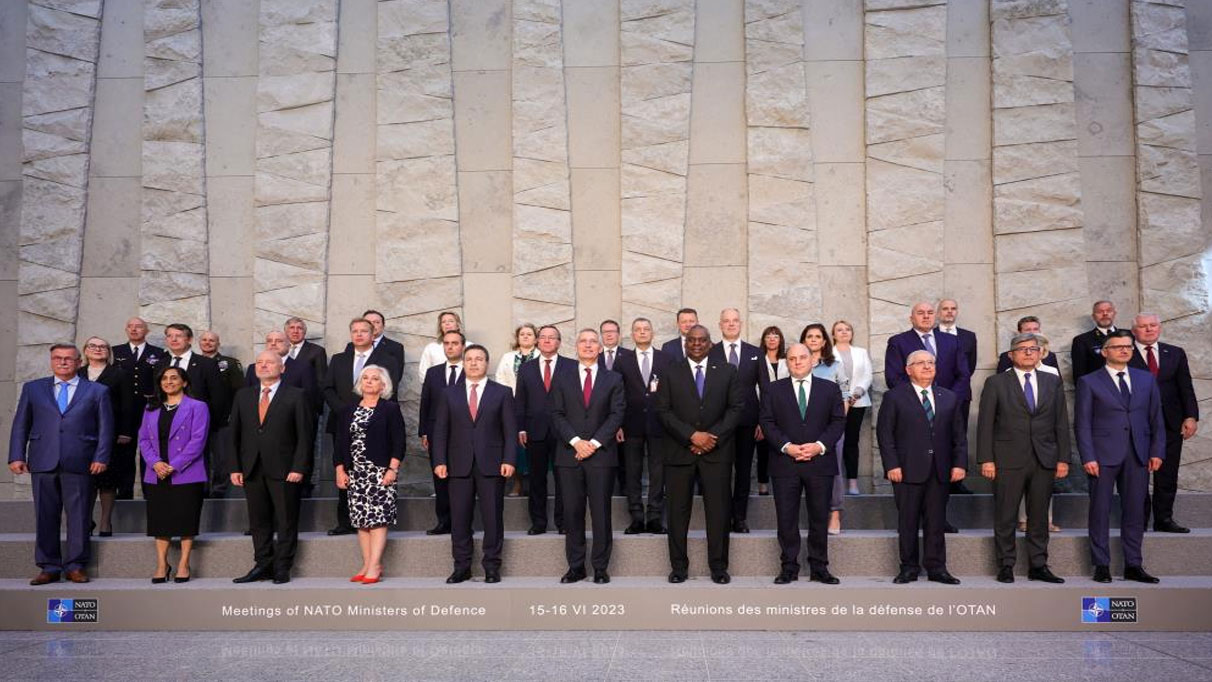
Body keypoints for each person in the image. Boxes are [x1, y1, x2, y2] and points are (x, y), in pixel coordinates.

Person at [9, 344, 113, 585]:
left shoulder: (97, 391)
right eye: (58, 358)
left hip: (81, 461)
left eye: (69, 359)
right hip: (43, 460)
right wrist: (16, 455)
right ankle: (49, 566)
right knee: (45, 515)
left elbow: (106, 428)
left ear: (79, 362)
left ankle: (75, 566)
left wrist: (101, 457)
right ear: (51, 362)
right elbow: (21, 424)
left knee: (79, 516)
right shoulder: (33, 389)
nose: (63, 362)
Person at [977, 333, 1070, 584]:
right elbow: (985, 424)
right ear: (1011, 355)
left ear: (1041, 353)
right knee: (1006, 515)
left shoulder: (1052, 382)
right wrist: (986, 459)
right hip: (1007, 459)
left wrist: (1063, 458)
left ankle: (1038, 565)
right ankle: (1006, 565)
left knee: (1039, 516)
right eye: (1022, 349)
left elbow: (1061, 422)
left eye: (1033, 349)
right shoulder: (996, 383)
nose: (1028, 352)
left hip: (1044, 458)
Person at [656, 324, 745, 584]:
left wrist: (710, 438)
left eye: (702, 340)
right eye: (692, 340)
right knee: (676, 513)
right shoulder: (670, 372)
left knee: (718, 513)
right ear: (685, 344)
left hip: (716, 453)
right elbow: (663, 411)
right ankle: (678, 568)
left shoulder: (728, 371)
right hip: (679, 452)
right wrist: (691, 436)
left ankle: (718, 567)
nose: (696, 344)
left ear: (710, 343)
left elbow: (735, 409)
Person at [1075, 329, 1165, 584]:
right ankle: (1101, 564)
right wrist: (1088, 456)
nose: (1124, 350)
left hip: (1138, 454)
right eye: (1118, 347)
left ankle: (1133, 564)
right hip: (1102, 456)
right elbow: (1082, 423)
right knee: (1100, 511)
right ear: (1105, 352)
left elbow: (1156, 418)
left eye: (1128, 346)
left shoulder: (1146, 379)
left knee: (1135, 512)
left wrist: (1157, 450)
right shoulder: (1089, 381)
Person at [875, 350, 966, 585]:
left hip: (940, 470)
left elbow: (958, 435)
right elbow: (885, 435)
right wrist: (892, 465)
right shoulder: (894, 397)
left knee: (936, 522)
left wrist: (959, 464)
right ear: (908, 369)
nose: (927, 367)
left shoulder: (948, 397)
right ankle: (908, 568)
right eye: (920, 363)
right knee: (908, 522)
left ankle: (937, 568)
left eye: (931, 363)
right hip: (906, 470)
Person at [759, 343, 846, 585]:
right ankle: (789, 567)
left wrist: (819, 446)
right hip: (785, 463)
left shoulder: (830, 389)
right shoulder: (772, 389)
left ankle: (819, 567)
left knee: (819, 517)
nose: (797, 362)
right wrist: (788, 447)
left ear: (812, 360)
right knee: (786, 518)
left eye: (802, 357)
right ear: (787, 362)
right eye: (793, 358)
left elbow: (838, 422)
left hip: (820, 462)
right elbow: (767, 422)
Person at [432, 345, 517, 584]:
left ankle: (492, 566)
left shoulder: (502, 392)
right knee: (459, 519)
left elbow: (510, 431)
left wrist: (509, 459)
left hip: (492, 464)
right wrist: (439, 460)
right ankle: (462, 567)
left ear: (487, 363)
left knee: (492, 518)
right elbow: (440, 431)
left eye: (479, 359)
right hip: (457, 465)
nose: (473, 363)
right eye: (469, 359)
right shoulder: (449, 393)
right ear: (463, 363)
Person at [229, 350, 315, 585]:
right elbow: (234, 434)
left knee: (286, 519)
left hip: (285, 469)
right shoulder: (243, 396)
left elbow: (305, 436)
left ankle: (282, 567)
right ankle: (262, 564)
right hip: (251, 468)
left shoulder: (297, 395)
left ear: (282, 368)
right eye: (259, 362)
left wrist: (299, 467)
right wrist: (235, 467)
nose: (263, 366)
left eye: (270, 362)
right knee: (258, 521)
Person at [885, 302, 971, 532]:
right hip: (912, 415)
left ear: (936, 316)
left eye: (930, 312)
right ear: (911, 317)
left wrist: (948, 400)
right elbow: (893, 377)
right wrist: (917, 398)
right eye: (920, 313)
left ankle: (939, 519)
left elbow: (963, 374)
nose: (925, 316)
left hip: (945, 411)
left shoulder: (951, 341)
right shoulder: (898, 342)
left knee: (941, 468)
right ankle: (914, 522)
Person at [549, 329, 626, 584]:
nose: (589, 345)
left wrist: (592, 443)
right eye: (583, 341)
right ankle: (576, 567)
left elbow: (616, 415)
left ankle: (600, 568)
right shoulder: (561, 377)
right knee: (572, 514)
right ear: (576, 346)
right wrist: (575, 442)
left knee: (601, 513)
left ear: (601, 347)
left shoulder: (613, 379)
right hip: (568, 456)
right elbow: (556, 414)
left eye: (594, 342)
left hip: (601, 456)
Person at [323, 318, 403, 536]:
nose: (359, 335)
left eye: (364, 331)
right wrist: (345, 412)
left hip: (377, 423)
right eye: (355, 331)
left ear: (373, 333)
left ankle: (374, 521)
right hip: (345, 421)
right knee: (345, 468)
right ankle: (345, 521)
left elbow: (391, 389)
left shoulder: (387, 359)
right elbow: (328, 388)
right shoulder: (339, 359)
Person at [333, 365, 404, 584]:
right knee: (361, 521)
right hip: (356, 472)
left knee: (378, 520)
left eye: (375, 379)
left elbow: (399, 442)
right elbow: (340, 442)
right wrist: (340, 470)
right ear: (359, 383)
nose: (369, 381)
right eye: (365, 378)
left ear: (383, 385)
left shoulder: (390, 409)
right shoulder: (348, 410)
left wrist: (392, 469)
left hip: (379, 472)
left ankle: (375, 565)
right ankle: (367, 564)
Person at [1128, 313, 1199, 533]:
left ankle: (1164, 519)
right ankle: (1140, 520)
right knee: (1138, 474)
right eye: (1143, 326)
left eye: (1153, 325)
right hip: (1136, 423)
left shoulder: (1175, 353)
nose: (1149, 329)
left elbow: (1185, 386)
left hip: (1170, 422)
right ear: (1134, 331)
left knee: (1167, 474)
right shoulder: (1125, 352)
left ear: (1159, 328)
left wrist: (1191, 416)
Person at [139, 366, 209, 583]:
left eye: (174, 378)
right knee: (159, 521)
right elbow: (143, 439)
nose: (169, 382)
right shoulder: (151, 408)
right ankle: (162, 564)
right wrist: (155, 463)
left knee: (186, 519)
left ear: (184, 382)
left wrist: (174, 465)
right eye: (164, 379)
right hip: (156, 473)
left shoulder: (198, 406)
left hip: (186, 472)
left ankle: (183, 563)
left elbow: (198, 440)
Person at [515, 325, 575, 534]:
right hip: (534, 430)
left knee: (564, 479)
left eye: (552, 338)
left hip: (564, 432)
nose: (547, 341)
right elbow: (520, 400)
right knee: (536, 479)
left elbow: (576, 402)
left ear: (559, 342)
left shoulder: (571, 366)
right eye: (543, 338)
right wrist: (520, 427)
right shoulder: (526, 368)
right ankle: (538, 522)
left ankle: (563, 522)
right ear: (537, 342)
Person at [709, 308, 761, 534]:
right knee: (720, 471)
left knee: (743, 470)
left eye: (735, 321)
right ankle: (722, 516)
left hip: (748, 421)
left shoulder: (755, 352)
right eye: (726, 321)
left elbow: (766, 389)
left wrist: (763, 421)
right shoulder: (711, 352)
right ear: (720, 325)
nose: (731, 324)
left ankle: (739, 517)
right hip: (719, 423)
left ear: (741, 324)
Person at [617, 317, 671, 535]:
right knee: (632, 472)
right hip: (631, 425)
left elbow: (671, 393)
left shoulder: (666, 359)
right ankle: (637, 517)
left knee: (659, 472)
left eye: (646, 329)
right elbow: (617, 395)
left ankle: (655, 517)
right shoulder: (622, 360)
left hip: (660, 425)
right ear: (632, 333)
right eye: (638, 329)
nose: (642, 332)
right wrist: (618, 424)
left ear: (652, 333)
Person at [78, 337, 134, 536]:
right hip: (81, 435)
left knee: (107, 480)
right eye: (92, 346)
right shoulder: (77, 374)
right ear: (85, 351)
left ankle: (105, 523)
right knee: (85, 481)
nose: (98, 349)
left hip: (110, 434)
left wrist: (125, 431)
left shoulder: (119, 373)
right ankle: (86, 521)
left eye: (102, 347)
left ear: (109, 351)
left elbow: (128, 405)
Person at [801, 323, 848, 535]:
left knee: (834, 470)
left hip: (830, 429)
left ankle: (835, 513)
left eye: (817, 336)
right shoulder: (795, 364)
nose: (813, 339)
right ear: (803, 341)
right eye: (809, 336)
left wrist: (836, 425)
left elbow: (845, 397)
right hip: (801, 429)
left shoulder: (835, 366)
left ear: (824, 341)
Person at [418, 330, 466, 535]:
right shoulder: (433, 372)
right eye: (447, 343)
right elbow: (426, 403)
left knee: (463, 479)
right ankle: (444, 521)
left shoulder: (472, 371)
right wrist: (424, 432)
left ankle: (462, 523)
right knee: (440, 478)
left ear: (463, 346)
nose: (450, 347)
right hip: (438, 434)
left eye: (455, 343)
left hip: (465, 435)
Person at [111, 317, 163, 498]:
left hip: (149, 409)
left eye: (139, 327)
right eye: (130, 327)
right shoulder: (116, 352)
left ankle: (150, 493)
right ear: (126, 330)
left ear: (146, 331)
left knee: (150, 452)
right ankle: (124, 493)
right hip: (123, 411)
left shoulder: (158, 353)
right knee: (124, 453)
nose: (134, 330)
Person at [494, 323, 539, 497]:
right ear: (517, 338)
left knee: (535, 445)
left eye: (529, 334)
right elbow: (500, 379)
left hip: (535, 408)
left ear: (535, 338)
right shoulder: (508, 357)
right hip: (512, 406)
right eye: (522, 334)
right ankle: (518, 484)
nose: (526, 337)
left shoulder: (542, 356)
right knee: (516, 445)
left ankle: (535, 484)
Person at [197, 330, 244, 496]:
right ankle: (200, 489)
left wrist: (234, 415)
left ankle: (219, 490)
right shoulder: (194, 363)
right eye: (204, 340)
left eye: (212, 340)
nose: (208, 343)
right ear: (199, 342)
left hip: (222, 419)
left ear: (218, 344)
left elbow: (240, 392)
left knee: (221, 458)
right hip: (198, 420)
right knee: (198, 457)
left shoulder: (229, 363)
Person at [831, 320, 872, 496]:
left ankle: (853, 484)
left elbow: (867, 374)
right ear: (833, 335)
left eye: (847, 329)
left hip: (857, 402)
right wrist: (842, 397)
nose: (844, 332)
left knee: (851, 442)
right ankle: (834, 483)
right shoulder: (828, 354)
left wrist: (856, 393)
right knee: (833, 442)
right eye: (839, 330)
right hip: (834, 404)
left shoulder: (861, 352)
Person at [245, 331, 320, 414]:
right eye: (269, 341)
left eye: (279, 341)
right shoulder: (253, 368)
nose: (273, 343)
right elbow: (246, 398)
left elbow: (310, 400)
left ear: (289, 345)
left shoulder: (303, 368)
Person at [754, 325, 789, 496]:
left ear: (780, 340)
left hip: (784, 412)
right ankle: (763, 484)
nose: (772, 338)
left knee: (782, 447)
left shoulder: (787, 360)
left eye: (776, 335)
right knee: (763, 449)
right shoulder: (758, 359)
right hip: (763, 410)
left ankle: (781, 484)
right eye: (768, 336)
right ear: (764, 340)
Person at [343, 309, 405, 388]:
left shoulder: (395, 347)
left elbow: (395, 378)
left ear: (383, 326)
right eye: (368, 322)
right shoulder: (351, 346)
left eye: (376, 322)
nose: (372, 325)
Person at [1070, 300, 1118, 381]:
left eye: (1109, 310)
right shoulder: (1082, 340)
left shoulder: (1129, 335)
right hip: (1099, 389)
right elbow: (1079, 374)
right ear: (1093, 316)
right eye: (1100, 312)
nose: (1105, 314)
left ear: (1114, 313)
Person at [418, 311, 463, 381]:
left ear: (457, 325)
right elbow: (423, 372)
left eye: (451, 321)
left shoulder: (469, 346)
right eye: (443, 322)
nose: (447, 324)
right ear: (441, 327)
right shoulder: (431, 348)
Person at [284, 317, 328, 385]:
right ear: (286, 332)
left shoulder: (317, 351)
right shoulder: (280, 350)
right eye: (292, 328)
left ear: (304, 332)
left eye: (299, 328)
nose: (295, 331)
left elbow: (322, 380)